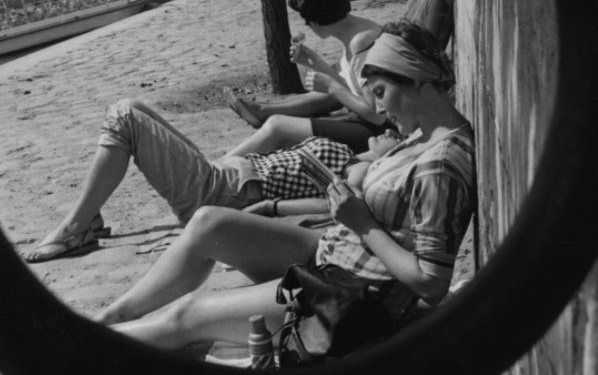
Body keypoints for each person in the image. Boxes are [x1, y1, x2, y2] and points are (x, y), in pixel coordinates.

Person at [95, 20, 476, 349]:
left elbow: (431, 284)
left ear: (418, 81)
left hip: (352, 300)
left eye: (380, 91)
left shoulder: (439, 166)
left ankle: (93, 344)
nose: (377, 110)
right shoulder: (420, 136)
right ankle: (116, 315)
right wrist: (290, 206)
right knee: (210, 222)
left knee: (188, 315)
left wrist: (363, 224)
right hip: (335, 256)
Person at [22, 97, 399, 263]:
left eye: (398, 142)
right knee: (133, 106)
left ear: (391, 161)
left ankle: (74, 229)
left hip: (223, 195)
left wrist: (268, 209)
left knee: (124, 118)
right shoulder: (355, 155)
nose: (391, 133)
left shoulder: (360, 172)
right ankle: (91, 217)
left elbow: (338, 210)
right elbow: (277, 130)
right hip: (224, 176)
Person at [224, 0, 387, 154]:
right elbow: (355, 91)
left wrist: (331, 87)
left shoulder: (361, 42)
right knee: (279, 126)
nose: (307, 26)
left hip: (383, 132)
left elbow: (377, 115)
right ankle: (221, 168)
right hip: (371, 125)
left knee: (278, 127)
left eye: (306, 20)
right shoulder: (356, 32)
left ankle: (217, 172)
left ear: (315, 20)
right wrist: (315, 62)